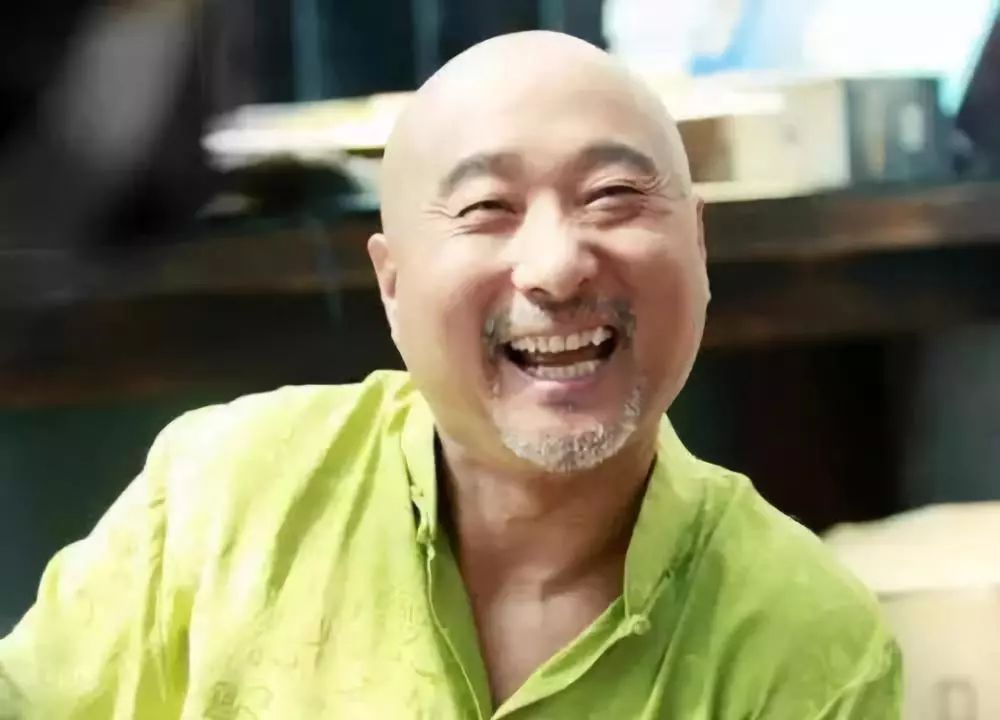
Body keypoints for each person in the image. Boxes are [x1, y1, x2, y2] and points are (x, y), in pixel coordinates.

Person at [0, 31, 901, 719]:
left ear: (698, 247)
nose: (556, 266)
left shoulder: (806, 642)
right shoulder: (221, 500)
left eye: (612, 197)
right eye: (486, 208)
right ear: (391, 283)